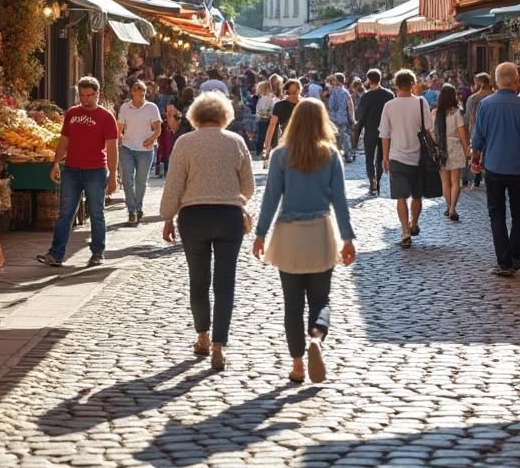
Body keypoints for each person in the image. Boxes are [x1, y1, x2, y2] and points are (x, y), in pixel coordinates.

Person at [253, 98, 358, 384]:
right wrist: (348, 238)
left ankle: (298, 364)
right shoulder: (331, 155)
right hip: (321, 232)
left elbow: (271, 199)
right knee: (321, 299)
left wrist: (260, 234)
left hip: (289, 235)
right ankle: (316, 338)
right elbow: (340, 201)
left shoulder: (281, 155)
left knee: (292, 303)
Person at [159, 92, 255, 372]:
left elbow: (174, 184)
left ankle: (202, 336)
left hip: (194, 217)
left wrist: (167, 218)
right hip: (228, 218)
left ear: (196, 115)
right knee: (225, 284)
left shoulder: (185, 143)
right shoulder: (236, 142)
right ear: (224, 114)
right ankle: (219, 347)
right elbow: (248, 188)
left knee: (198, 281)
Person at [469, 62, 520, 277]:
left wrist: (475, 159)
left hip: (494, 166)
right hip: (519, 166)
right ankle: (515, 255)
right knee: (519, 212)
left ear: (497, 80)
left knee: (496, 213)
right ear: (517, 80)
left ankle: (504, 261)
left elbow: (478, 137)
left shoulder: (486, 104)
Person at [39, 76, 119, 267]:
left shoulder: (106, 117)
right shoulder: (72, 113)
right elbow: (64, 140)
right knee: (65, 213)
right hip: (72, 170)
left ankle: (98, 253)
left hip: (96, 171)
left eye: (89, 95)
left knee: (97, 213)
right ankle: (56, 254)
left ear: (97, 94)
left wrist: (113, 175)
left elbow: (112, 148)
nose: (85, 99)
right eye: (81, 95)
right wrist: (56, 162)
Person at [378, 68, 429, 247]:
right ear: (413, 84)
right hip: (418, 156)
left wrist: (384, 157)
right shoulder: (422, 103)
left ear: (396, 85)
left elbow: (384, 134)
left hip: (397, 156)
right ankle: (414, 223)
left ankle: (405, 232)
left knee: (401, 197)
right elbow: (428, 129)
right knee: (416, 195)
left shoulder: (389, 106)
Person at [117, 80, 162, 227]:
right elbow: (119, 128)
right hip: (127, 147)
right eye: (136, 90)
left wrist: (151, 139)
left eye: (142, 90)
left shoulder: (151, 107)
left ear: (144, 92)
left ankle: (138, 207)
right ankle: (132, 210)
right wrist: (118, 143)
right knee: (126, 180)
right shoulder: (125, 107)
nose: (139, 93)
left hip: (146, 150)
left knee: (141, 181)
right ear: (132, 92)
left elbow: (157, 129)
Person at [431, 83, 470, 222]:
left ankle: (449, 207)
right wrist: (467, 150)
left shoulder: (435, 112)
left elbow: (431, 133)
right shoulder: (456, 112)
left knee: (445, 183)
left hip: (440, 149)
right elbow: (462, 133)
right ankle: (453, 208)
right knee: (455, 181)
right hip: (455, 147)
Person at [356, 69, 394, 196]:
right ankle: (377, 182)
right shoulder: (389, 94)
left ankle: (372, 180)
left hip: (370, 131)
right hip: (385, 131)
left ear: (369, 80)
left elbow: (359, 115)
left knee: (369, 158)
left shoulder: (366, 96)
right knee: (381, 158)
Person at [463, 73, 494, 189]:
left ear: (480, 83)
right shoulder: (495, 96)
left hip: (477, 131)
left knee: (474, 154)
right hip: (492, 132)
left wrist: (466, 134)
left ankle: (474, 179)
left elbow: (467, 118)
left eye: (475, 83)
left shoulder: (474, 98)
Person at [263, 78, 301, 157]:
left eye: (294, 92)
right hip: (289, 141)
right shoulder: (280, 105)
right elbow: (272, 125)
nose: (293, 95)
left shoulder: (304, 105)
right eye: (291, 92)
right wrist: (267, 143)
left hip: (300, 141)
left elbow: (272, 125)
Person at [324, 73, 356, 163]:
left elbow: (324, 95)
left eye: (334, 79)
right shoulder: (345, 92)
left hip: (331, 117)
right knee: (344, 136)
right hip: (342, 117)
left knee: (333, 136)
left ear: (337, 81)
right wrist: (351, 117)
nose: (332, 81)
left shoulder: (330, 91)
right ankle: (346, 155)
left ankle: (333, 155)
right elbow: (350, 106)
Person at [253, 80, 275, 159]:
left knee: (261, 136)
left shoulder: (266, 98)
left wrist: (259, 114)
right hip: (266, 119)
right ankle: (265, 151)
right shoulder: (268, 98)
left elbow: (259, 109)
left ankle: (260, 151)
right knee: (266, 135)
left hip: (264, 120)